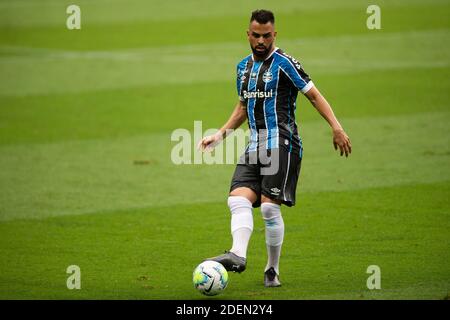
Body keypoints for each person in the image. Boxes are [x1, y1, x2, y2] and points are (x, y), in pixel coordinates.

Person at [198, 9, 351, 287]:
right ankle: (238, 255)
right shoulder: (243, 67)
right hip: (254, 144)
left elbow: (313, 95)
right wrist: (219, 135)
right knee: (237, 200)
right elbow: (244, 106)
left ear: (274, 35)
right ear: (248, 34)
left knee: (269, 209)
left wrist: (336, 127)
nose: (261, 41)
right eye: (256, 35)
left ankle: (272, 269)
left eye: (266, 36)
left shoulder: (285, 63)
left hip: (283, 143)